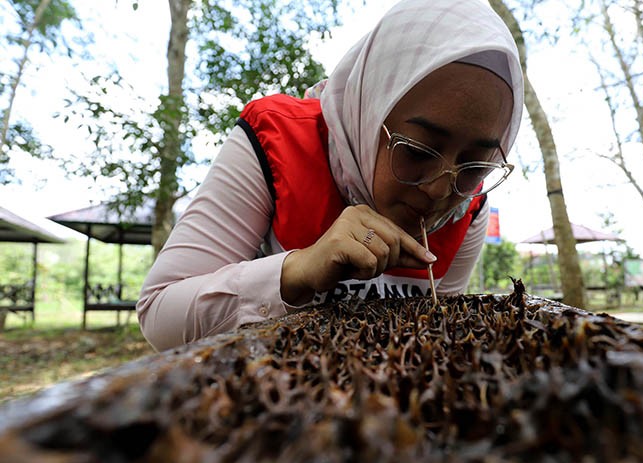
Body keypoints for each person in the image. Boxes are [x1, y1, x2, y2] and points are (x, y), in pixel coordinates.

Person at [137, 0, 524, 351]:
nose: (440, 190)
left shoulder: (469, 205)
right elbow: (160, 317)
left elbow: (436, 339)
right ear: (369, 108)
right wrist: (298, 271)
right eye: (417, 151)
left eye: (475, 165)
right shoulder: (276, 141)